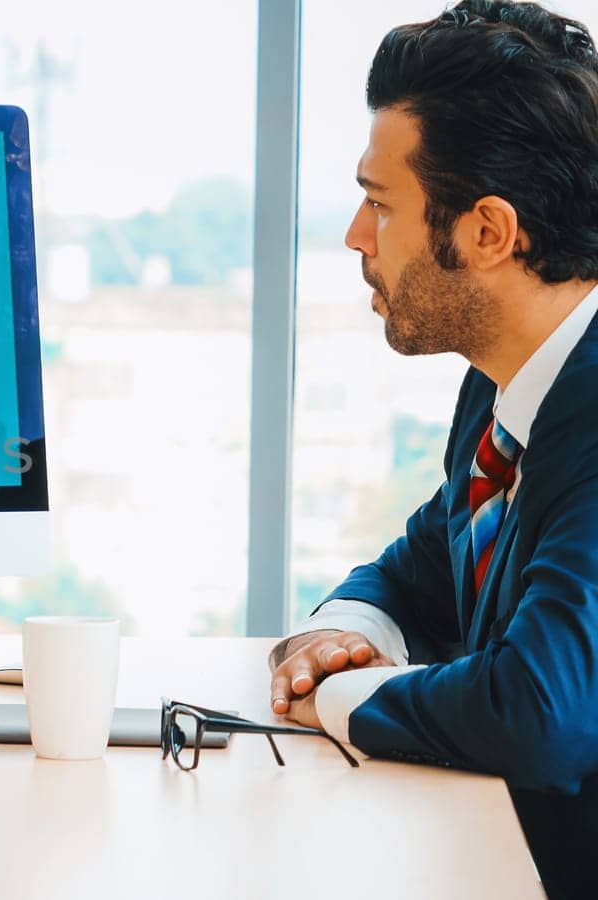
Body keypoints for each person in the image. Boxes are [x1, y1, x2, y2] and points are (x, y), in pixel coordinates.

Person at [265, 2, 598, 895]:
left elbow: (540, 715)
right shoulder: (505, 386)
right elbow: (420, 572)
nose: (355, 236)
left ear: (487, 232)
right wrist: (342, 635)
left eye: (381, 204)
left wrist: (337, 697)